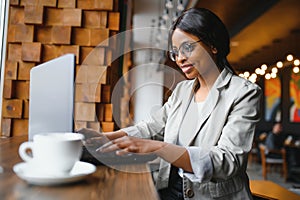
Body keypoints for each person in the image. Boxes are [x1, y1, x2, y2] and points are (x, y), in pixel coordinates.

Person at [79, 8, 262, 200]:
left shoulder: (244, 93)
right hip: (170, 187)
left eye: (188, 47)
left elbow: (227, 161)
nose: (180, 58)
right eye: (175, 52)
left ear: (213, 45)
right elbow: (152, 127)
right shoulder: (182, 90)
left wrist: (156, 147)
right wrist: (108, 138)